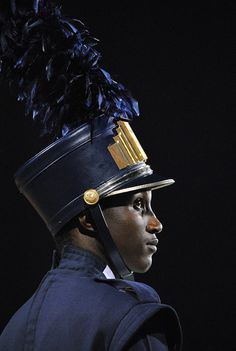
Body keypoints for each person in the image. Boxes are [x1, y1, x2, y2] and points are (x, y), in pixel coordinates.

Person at [0, 1, 182, 350]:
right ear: (87, 218)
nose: (156, 223)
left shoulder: (14, 328)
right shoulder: (130, 319)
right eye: (139, 205)